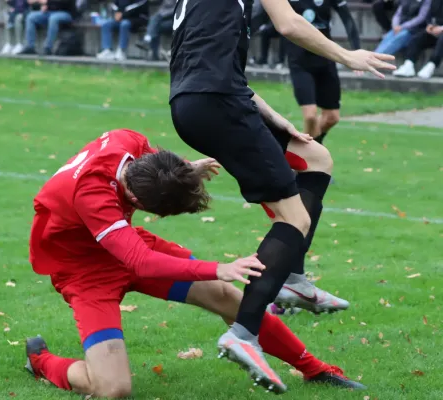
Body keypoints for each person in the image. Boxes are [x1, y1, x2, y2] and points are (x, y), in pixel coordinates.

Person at [25, 129, 365, 397]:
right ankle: (42, 363)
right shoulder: (92, 194)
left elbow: (155, 169)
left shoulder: (125, 141)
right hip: (84, 271)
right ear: (133, 199)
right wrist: (217, 268)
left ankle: (316, 369)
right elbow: (141, 262)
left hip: (125, 244)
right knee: (113, 389)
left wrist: (186, 169)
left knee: (225, 296)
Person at [169, 0, 395, 393]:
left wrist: (273, 117)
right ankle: (244, 331)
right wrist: (348, 56)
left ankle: (293, 278)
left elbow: (212, 62)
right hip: (219, 104)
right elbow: (289, 24)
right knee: (295, 219)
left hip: (200, 103)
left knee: (314, 158)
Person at [286, 0, 361, 145]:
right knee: (310, 116)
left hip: (326, 60)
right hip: (300, 63)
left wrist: (356, 52)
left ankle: (311, 147)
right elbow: (263, 16)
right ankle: (308, 154)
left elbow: (349, 21)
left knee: (332, 117)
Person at [393, 0, 443, 78]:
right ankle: (408, 64)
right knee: (416, 39)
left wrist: (441, 28)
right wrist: (430, 25)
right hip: (435, 30)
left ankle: (431, 65)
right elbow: (429, 14)